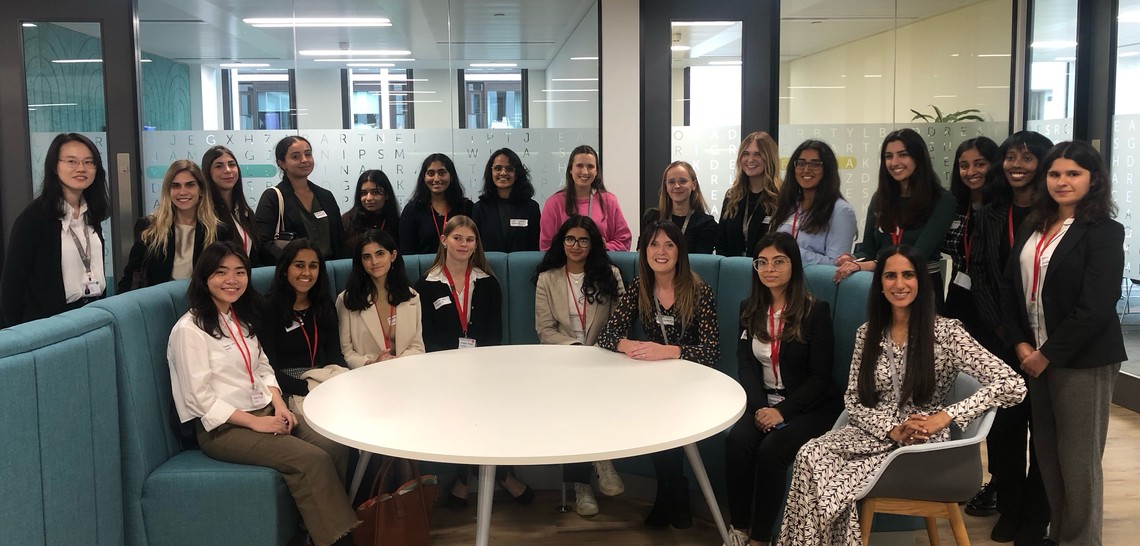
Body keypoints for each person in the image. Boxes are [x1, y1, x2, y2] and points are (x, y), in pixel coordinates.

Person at [778, 245, 1025, 546]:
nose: (899, 284)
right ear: (880, 284)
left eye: (908, 275)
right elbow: (854, 401)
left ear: (921, 281)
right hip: (876, 431)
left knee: (830, 479)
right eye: (890, 276)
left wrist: (945, 417)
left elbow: (1012, 383)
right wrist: (891, 429)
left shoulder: (946, 333)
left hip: (922, 440)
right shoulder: (867, 333)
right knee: (809, 455)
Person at [167, 241, 358, 546]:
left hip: (267, 409)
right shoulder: (189, 330)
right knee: (313, 460)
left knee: (334, 444)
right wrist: (255, 422)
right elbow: (198, 399)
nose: (232, 280)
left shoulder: (238, 319)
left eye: (240, 272)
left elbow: (263, 367)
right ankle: (338, 540)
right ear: (204, 278)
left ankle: (312, 528)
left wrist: (280, 405)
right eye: (222, 272)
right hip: (225, 429)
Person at [999, 140, 1125, 546]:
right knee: (1049, 458)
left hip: (1080, 361)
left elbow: (1097, 305)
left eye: (1073, 174)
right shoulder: (1035, 226)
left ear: (1094, 180)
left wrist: (1047, 355)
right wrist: (1020, 345)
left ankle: (1082, 540)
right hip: (1033, 356)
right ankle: (1061, 534)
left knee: (1079, 462)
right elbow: (1010, 290)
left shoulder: (1103, 231)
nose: (1062, 181)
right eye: (1055, 173)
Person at [597, 221, 720, 529]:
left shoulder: (699, 290)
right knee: (651, 416)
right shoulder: (640, 287)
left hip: (690, 378)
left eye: (669, 245)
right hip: (653, 378)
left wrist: (668, 351)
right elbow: (608, 335)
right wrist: (629, 345)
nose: (661, 252)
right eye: (653, 245)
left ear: (680, 251)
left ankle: (670, 493)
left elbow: (711, 351)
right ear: (644, 251)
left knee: (667, 417)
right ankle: (672, 492)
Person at [964, 131, 1054, 542]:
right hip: (1001, 337)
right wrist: (1005, 330)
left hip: (1048, 339)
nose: (1017, 164)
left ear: (1043, 163)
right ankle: (1010, 506)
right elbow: (980, 273)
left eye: (1028, 157)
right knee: (1005, 429)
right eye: (1011, 157)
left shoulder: (1056, 213)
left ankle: (1037, 514)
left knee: (1046, 430)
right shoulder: (992, 212)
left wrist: (1032, 338)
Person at [724, 232, 841, 546]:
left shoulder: (815, 311)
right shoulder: (749, 308)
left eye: (778, 261)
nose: (769, 269)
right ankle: (739, 529)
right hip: (764, 401)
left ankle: (761, 539)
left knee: (772, 450)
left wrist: (781, 411)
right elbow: (745, 364)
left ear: (794, 265)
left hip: (809, 406)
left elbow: (820, 376)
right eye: (762, 262)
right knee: (737, 441)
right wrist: (762, 407)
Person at [413, 215, 532, 506]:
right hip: (442, 370)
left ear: (476, 243)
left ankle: (478, 478)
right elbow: (426, 335)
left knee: (495, 408)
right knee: (463, 411)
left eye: (469, 239)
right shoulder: (426, 285)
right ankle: (491, 477)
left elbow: (495, 333)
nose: (463, 244)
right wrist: (454, 367)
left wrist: (477, 366)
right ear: (443, 240)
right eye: (457, 238)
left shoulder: (487, 282)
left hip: (485, 368)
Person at [533, 216, 627, 516]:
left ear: (593, 243)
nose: (576, 245)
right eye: (570, 239)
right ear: (562, 242)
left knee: (590, 396)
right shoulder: (548, 278)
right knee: (573, 402)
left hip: (603, 357)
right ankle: (587, 479)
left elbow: (620, 320)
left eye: (583, 240)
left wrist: (597, 352)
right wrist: (576, 350)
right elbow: (544, 330)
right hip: (562, 360)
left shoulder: (609, 274)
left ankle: (598, 464)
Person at [833, 128, 955, 309]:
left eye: (903, 155)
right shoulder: (880, 198)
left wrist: (865, 266)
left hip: (921, 285)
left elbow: (918, 254)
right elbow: (868, 250)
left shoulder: (942, 200)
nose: (894, 162)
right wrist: (852, 259)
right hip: (884, 287)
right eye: (888, 156)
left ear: (918, 158)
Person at [1, 133, 110, 327]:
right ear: (54, 166)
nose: (81, 168)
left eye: (89, 162)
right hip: (50, 325)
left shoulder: (92, 213)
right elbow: (12, 287)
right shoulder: (34, 219)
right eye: (71, 161)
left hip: (93, 317)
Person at [258, 239, 347, 403]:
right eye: (299, 265)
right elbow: (269, 369)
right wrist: (308, 389)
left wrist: (342, 380)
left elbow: (335, 355)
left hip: (320, 380)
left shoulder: (324, 305)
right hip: (285, 388)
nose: (307, 272)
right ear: (285, 270)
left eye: (313, 266)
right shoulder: (268, 309)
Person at [119, 160, 226, 293]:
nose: (182, 192)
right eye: (176, 186)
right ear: (168, 191)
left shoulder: (219, 231)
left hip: (202, 305)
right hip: (158, 305)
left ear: (201, 190)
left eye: (190, 185)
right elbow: (131, 275)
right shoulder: (149, 227)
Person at [337, 229, 424, 367]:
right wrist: (372, 363)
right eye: (367, 257)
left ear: (393, 255)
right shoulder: (347, 300)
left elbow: (417, 346)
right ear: (361, 261)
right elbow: (347, 352)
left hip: (406, 370)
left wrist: (397, 362)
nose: (374, 261)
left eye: (380, 254)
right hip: (366, 375)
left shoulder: (411, 296)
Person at [255, 136, 347, 262]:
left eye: (308, 154)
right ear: (281, 163)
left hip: (329, 271)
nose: (304, 160)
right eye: (295, 156)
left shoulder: (326, 196)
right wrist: (295, 263)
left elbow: (340, 240)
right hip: (294, 272)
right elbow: (263, 243)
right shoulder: (273, 197)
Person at [939, 137, 1000, 327]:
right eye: (964, 165)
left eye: (980, 164)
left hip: (994, 301)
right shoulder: (954, 206)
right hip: (959, 293)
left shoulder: (1002, 209)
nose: (971, 172)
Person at [768, 140, 857, 264]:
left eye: (815, 165)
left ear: (827, 170)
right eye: (801, 163)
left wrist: (791, 252)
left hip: (813, 282)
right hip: (780, 280)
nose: (806, 170)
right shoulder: (789, 205)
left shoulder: (841, 211)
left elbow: (836, 265)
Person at [538, 144, 632, 251]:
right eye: (579, 166)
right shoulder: (554, 204)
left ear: (596, 171)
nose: (585, 171)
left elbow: (624, 241)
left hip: (600, 264)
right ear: (570, 170)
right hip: (565, 266)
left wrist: (604, 246)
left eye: (590, 166)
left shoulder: (609, 201)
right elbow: (546, 247)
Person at [718, 131, 781, 257]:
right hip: (733, 269)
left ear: (769, 158)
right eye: (746, 154)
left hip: (767, 270)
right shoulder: (732, 196)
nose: (750, 160)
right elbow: (721, 241)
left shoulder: (781, 197)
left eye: (758, 154)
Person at [399, 153, 474, 255]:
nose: (436, 179)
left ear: (451, 176)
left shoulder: (466, 207)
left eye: (442, 173)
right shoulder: (413, 210)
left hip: (460, 267)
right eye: (430, 173)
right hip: (425, 269)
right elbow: (407, 252)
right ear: (424, 178)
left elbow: (475, 245)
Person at [471, 147, 541, 252]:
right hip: (487, 267)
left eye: (509, 169)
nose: (503, 173)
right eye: (498, 168)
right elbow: (474, 246)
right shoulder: (479, 208)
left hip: (523, 266)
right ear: (491, 172)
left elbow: (535, 247)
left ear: (517, 174)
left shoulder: (531, 208)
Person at [203, 145, 263, 265]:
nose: (228, 170)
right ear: (208, 172)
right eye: (219, 166)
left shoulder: (244, 211)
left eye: (232, 164)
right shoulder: (205, 214)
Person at [641, 161, 718, 254]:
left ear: (693, 185)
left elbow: (701, 263)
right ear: (666, 186)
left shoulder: (706, 223)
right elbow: (642, 253)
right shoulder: (651, 218)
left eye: (682, 181)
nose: (677, 186)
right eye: (671, 182)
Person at [341, 170, 400, 252]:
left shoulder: (396, 223)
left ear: (387, 195)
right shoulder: (348, 221)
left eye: (375, 192)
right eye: (363, 193)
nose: (368, 198)